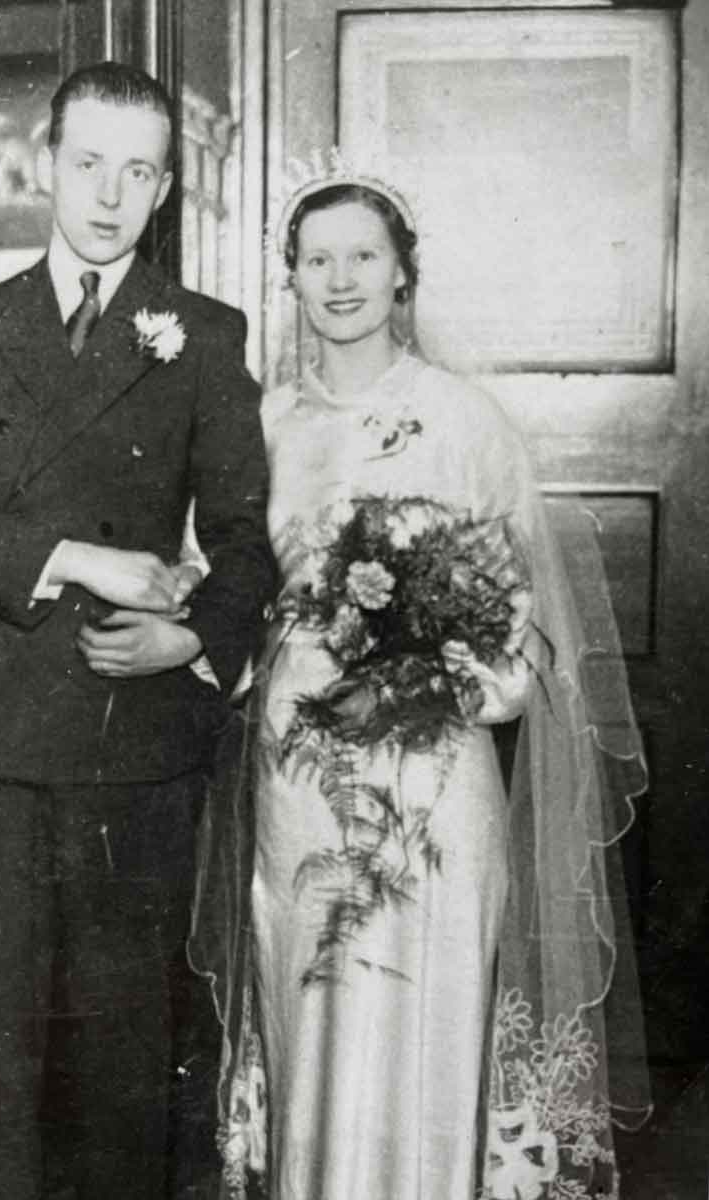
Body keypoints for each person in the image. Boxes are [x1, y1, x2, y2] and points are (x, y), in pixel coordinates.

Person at [189, 160, 650, 1200]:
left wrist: (458, 670)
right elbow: (222, 587)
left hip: (435, 772)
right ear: (291, 278)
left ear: (404, 275)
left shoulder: (466, 420)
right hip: (301, 770)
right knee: (310, 1002)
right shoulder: (259, 428)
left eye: (364, 256)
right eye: (317, 260)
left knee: (433, 1012)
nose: (339, 279)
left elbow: (523, 629)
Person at [0, 61, 275, 1200]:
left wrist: (193, 639)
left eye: (140, 171)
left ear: (165, 190)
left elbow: (248, 540)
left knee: (122, 1058)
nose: (111, 193)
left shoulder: (201, 333)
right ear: (48, 163)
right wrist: (76, 559)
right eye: (91, 162)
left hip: (135, 736)